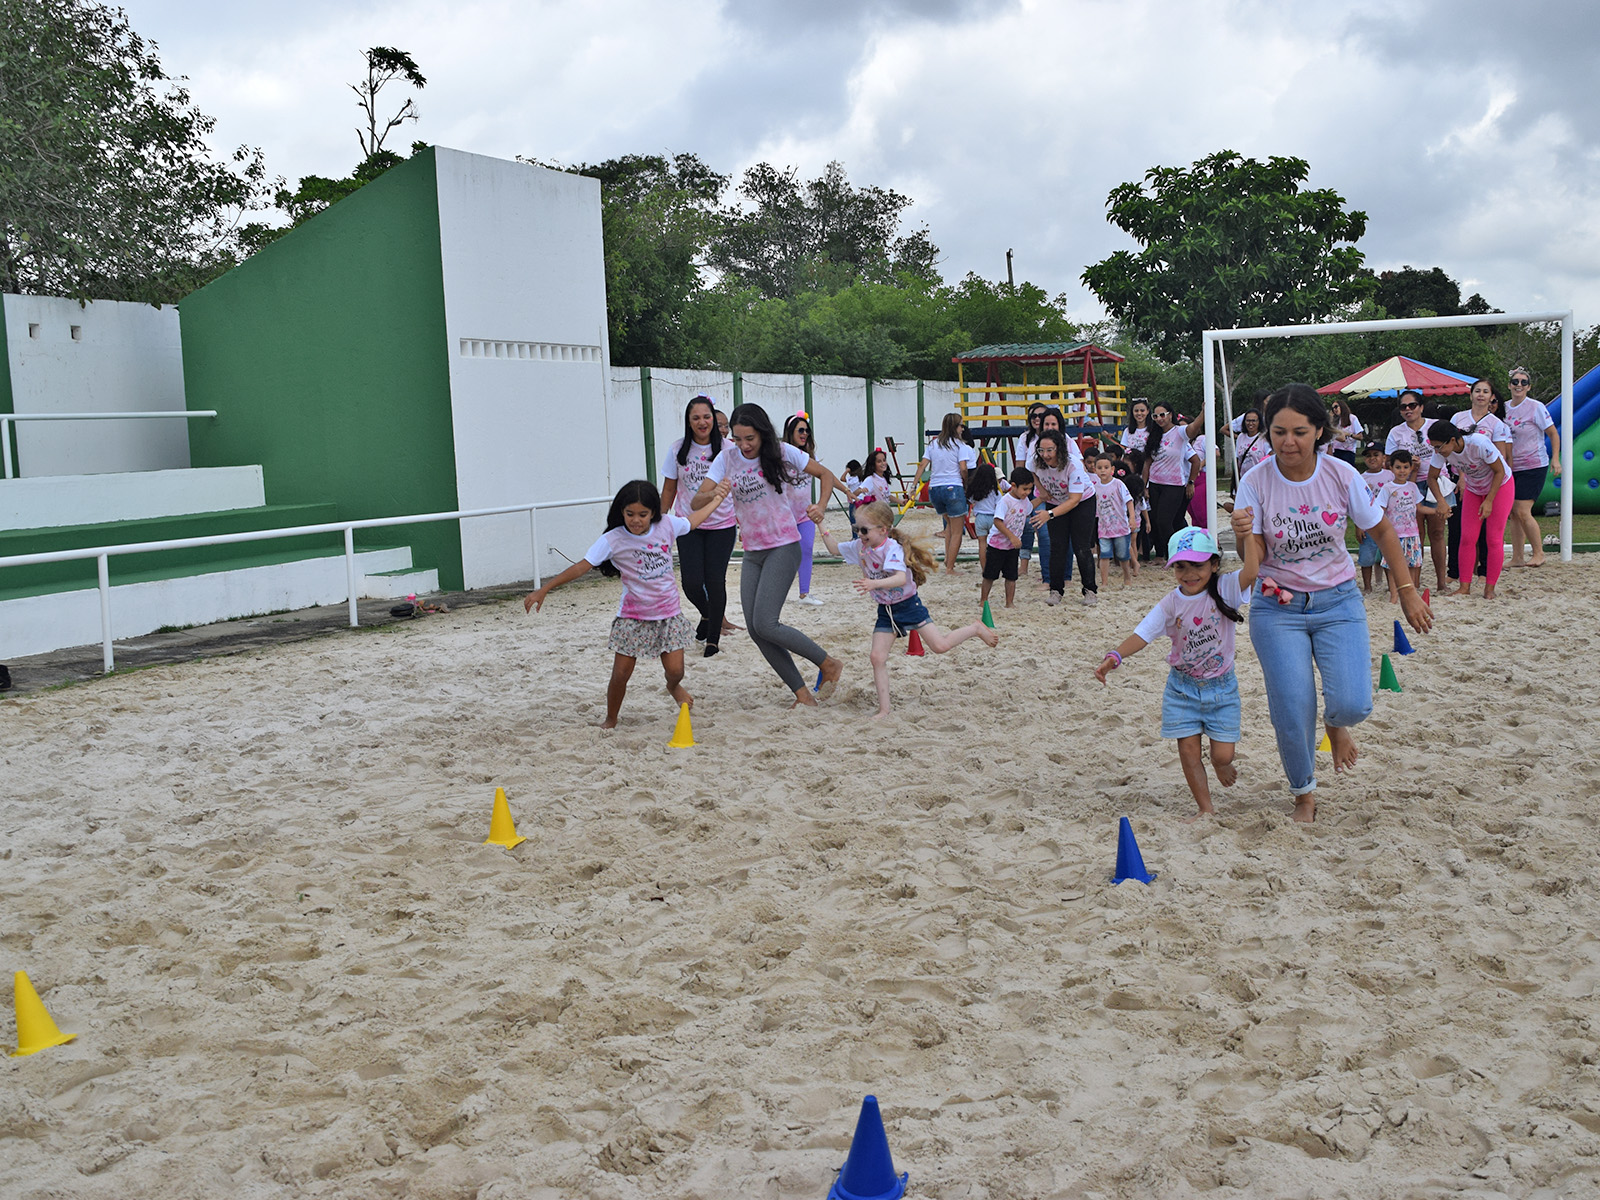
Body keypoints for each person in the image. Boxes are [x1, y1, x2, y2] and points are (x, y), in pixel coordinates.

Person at [1230, 383, 1432, 823]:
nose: (1288, 442)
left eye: (1299, 432)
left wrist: (1407, 591)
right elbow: (1255, 559)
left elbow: (1382, 531)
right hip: (1277, 607)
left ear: (1320, 430)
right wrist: (1244, 536)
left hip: (1338, 602)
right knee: (1292, 705)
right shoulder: (1255, 481)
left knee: (1354, 703)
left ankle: (1335, 724)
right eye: (1279, 432)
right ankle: (1303, 793)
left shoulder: (1341, 475)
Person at [524, 479, 726, 728]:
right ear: (621, 512)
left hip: (668, 615)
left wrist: (717, 499)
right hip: (633, 617)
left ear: (653, 513)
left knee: (676, 671)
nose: (636, 520)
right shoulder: (613, 539)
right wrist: (545, 589)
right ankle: (611, 718)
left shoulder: (666, 525)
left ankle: (673, 687)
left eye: (643, 514)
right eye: (630, 514)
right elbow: (581, 566)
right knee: (620, 675)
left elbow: (693, 521)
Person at [1095, 527, 1261, 820]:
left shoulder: (1225, 589)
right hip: (1182, 689)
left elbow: (1251, 572)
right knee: (1188, 752)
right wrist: (1115, 656)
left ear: (1214, 564)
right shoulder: (1171, 602)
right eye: (1180, 566)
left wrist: (1247, 535)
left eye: (1197, 565)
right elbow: (1143, 633)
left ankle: (1220, 765)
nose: (1189, 574)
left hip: (1222, 689)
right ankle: (1205, 808)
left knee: (1223, 755)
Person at [693, 403, 845, 706]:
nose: (744, 445)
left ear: (762, 433)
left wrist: (821, 505)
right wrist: (714, 493)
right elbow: (697, 501)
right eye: (738, 438)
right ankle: (803, 695)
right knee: (755, 629)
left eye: (750, 438)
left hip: (784, 545)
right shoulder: (727, 458)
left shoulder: (782, 451)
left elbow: (825, 474)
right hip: (752, 552)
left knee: (765, 623)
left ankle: (828, 663)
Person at [819, 501, 997, 718]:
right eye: (857, 528)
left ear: (883, 530)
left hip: (908, 605)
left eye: (864, 530)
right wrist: (821, 525)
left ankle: (975, 628)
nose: (860, 534)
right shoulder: (860, 547)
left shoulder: (891, 548)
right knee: (877, 657)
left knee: (939, 646)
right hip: (886, 610)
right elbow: (834, 549)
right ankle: (884, 709)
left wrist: (873, 584)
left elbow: (900, 578)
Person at [660, 395, 739, 657]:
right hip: (688, 524)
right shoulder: (677, 449)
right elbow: (669, 488)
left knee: (715, 581)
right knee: (691, 583)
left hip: (722, 525)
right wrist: (659, 522)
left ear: (713, 419)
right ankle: (707, 615)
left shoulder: (729, 449)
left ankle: (712, 640)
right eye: (696, 418)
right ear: (688, 421)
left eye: (706, 417)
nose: (702, 422)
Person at [1427, 422, 1512, 599]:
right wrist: (1441, 501)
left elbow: (1499, 471)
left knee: (1493, 538)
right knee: (1467, 537)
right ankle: (1464, 586)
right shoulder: (1442, 451)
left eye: (1438, 447)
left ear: (1452, 440)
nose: (1437, 451)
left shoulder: (1479, 443)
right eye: (1433, 447)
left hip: (1500, 486)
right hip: (1474, 489)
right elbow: (1432, 477)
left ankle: (1490, 588)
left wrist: (1489, 501)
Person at [1449, 379, 1514, 582]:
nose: (1481, 395)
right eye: (1477, 391)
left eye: (1486, 391)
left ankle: (1487, 579)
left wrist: (1491, 497)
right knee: (1465, 534)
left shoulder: (1496, 424)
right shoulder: (1458, 418)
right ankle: (1462, 580)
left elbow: (1500, 459)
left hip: (1494, 480)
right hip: (1468, 478)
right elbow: (1454, 449)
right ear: (1471, 395)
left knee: (1492, 536)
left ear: (1491, 397)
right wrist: (1462, 478)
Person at [1385, 390, 1449, 590]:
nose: (1408, 410)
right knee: (1416, 534)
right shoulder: (1396, 432)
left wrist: (1462, 477)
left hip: (1437, 481)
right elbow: (1388, 461)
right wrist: (1406, 462)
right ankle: (1415, 583)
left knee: (1437, 532)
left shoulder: (1434, 426)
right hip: (1409, 484)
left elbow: (1453, 450)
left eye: (1412, 405)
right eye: (1403, 407)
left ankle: (1441, 582)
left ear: (1421, 407)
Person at [783, 411, 846, 607]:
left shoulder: (810, 457)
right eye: (800, 430)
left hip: (805, 513)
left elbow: (827, 475)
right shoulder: (781, 455)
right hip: (784, 515)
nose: (805, 434)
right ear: (790, 432)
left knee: (807, 550)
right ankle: (777, 593)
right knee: (783, 555)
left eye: (807, 431)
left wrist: (846, 491)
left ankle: (804, 594)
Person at [1029, 430, 1097, 606]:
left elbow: (1075, 500)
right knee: (1057, 546)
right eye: (1041, 450)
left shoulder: (1072, 465)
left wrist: (1050, 514)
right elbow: (1031, 472)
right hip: (1055, 500)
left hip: (1082, 501)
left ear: (1059, 449)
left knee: (1081, 546)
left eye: (1050, 450)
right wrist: (1041, 490)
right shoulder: (1037, 461)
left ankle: (1090, 590)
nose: (1045, 455)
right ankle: (1056, 590)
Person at [1503, 366, 1560, 567]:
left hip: (1533, 464)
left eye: (1523, 382)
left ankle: (1539, 553)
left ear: (1529, 387)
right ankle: (1517, 557)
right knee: (1513, 513)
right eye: (1515, 382)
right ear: (1509, 385)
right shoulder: (1503, 408)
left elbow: (1553, 433)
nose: (1519, 385)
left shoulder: (1536, 407)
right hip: (1511, 466)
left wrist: (1555, 459)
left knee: (1522, 509)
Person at [913, 412, 978, 573]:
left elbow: (922, 465)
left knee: (949, 525)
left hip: (935, 489)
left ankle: (949, 560)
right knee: (957, 531)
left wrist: (913, 485)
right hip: (953, 487)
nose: (963, 429)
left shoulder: (933, 444)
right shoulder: (960, 445)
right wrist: (965, 484)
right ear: (955, 427)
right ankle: (950, 567)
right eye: (961, 425)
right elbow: (963, 468)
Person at [1144, 401, 1206, 559]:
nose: (1159, 418)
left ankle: (1176, 554)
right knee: (1157, 521)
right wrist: (1144, 486)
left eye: (1162, 415)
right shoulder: (1154, 435)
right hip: (1155, 483)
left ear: (1170, 414)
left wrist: (1204, 412)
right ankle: (1165, 555)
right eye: (1155, 416)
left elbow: (1193, 429)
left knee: (1165, 521)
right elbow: (1148, 463)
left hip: (1174, 485)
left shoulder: (1179, 432)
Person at [982, 467, 1034, 610]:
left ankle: (1009, 602)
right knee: (990, 575)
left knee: (1011, 576)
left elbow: (1029, 509)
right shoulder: (1005, 501)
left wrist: (1042, 498)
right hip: (997, 545)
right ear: (1013, 486)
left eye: (1030, 489)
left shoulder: (1025, 500)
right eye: (1025, 489)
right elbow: (997, 521)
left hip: (1012, 547)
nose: (1027, 492)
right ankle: (983, 600)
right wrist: (1012, 536)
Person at [1378, 450, 1425, 601]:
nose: (1402, 471)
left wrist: (1437, 510)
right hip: (1394, 534)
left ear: (1411, 468)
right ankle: (1394, 594)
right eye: (1398, 467)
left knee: (1412, 564)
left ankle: (1411, 593)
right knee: (1392, 565)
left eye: (1405, 467)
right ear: (1391, 468)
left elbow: (1420, 508)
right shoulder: (1387, 488)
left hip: (1412, 533)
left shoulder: (1413, 487)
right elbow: (1381, 510)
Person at [1092, 453, 1136, 588]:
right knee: (1104, 555)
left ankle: (1127, 577)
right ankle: (1104, 582)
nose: (1103, 470)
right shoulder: (1095, 487)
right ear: (1095, 470)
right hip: (1104, 528)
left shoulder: (1118, 484)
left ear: (1112, 469)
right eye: (1099, 468)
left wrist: (1132, 518)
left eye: (1106, 467)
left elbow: (1129, 501)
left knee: (1123, 555)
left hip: (1120, 527)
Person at [1355, 443, 1394, 593]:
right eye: (1368, 455)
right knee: (1366, 557)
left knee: (1388, 556)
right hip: (1368, 525)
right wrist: (1358, 526)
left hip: (1387, 523)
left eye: (1376, 455)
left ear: (1384, 457)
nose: (1372, 458)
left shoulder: (1390, 475)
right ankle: (1367, 586)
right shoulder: (1361, 478)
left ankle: (1390, 586)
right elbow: (1358, 503)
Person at [1016, 405, 1048, 575]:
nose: (1036, 419)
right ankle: (1024, 565)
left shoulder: (1056, 437)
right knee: (1027, 528)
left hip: (1052, 486)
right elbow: (1020, 465)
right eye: (1033, 416)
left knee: (1045, 531)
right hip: (1030, 487)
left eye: (1040, 416)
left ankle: (1047, 570)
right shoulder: (1025, 438)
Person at [965, 461, 1003, 575]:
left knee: (982, 544)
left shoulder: (975, 491)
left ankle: (984, 569)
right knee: (995, 545)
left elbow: (970, 501)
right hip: (993, 518)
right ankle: (994, 568)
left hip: (980, 518)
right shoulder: (996, 492)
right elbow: (1000, 506)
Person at [1232, 408, 1271, 482]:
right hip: (1244, 479)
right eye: (1248, 420)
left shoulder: (1264, 438)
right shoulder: (1241, 437)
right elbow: (1238, 460)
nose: (1250, 423)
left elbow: (1270, 457)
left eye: (1253, 421)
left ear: (1259, 422)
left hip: (1260, 480)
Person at [1326, 396, 1364, 464]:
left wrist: (1349, 434)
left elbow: (1360, 436)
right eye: (1333, 408)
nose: (1334, 409)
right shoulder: (1334, 420)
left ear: (1342, 406)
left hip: (1348, 451)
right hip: (1336, 450)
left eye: (1336, 407)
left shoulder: (1352, 418)